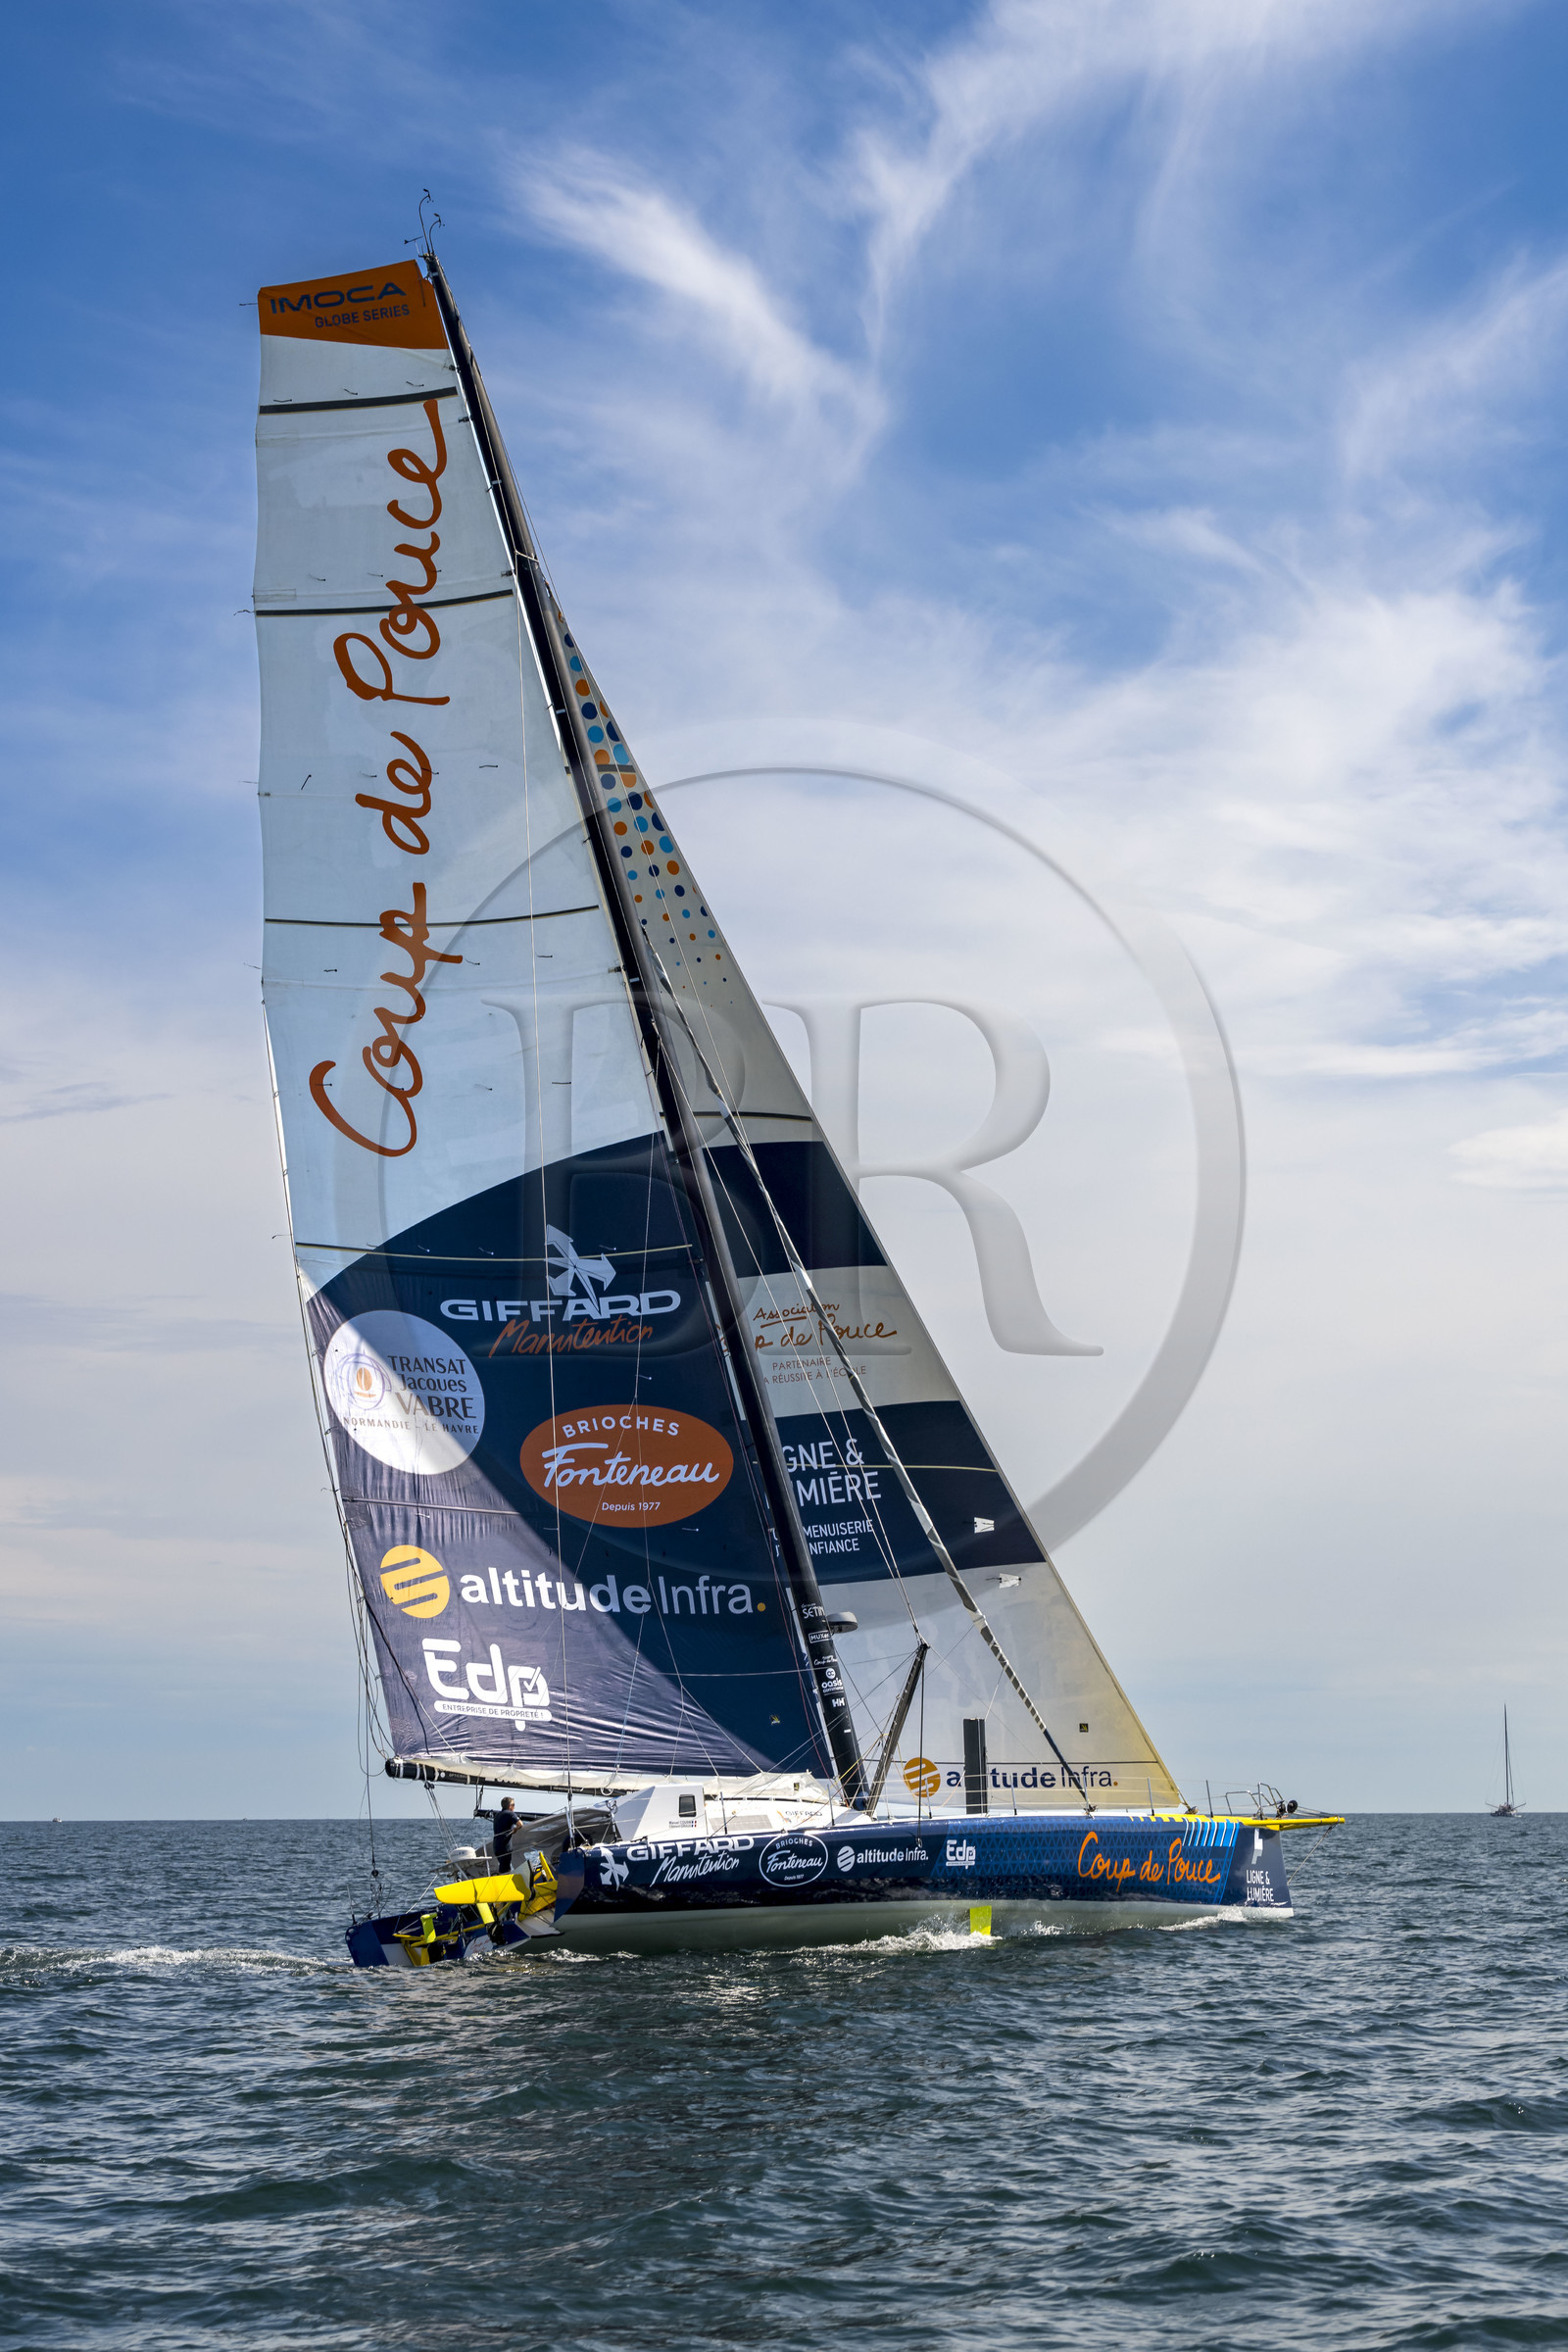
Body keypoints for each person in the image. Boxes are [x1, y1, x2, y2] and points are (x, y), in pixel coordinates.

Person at [492, 1797, 521, 1872]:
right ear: (509, 1806)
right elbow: (520, 1824)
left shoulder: (497, 1815)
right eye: (513, 1805)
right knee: (505, 1869)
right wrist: (515, 1829)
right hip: (505, 1846)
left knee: (503, 1866)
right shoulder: (510, 1813)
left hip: (496, 1846)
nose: (514, 1807)